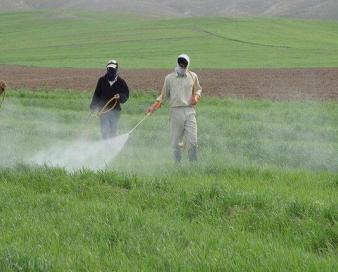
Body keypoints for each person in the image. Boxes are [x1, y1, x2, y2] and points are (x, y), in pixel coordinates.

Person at [147, 54, 202, 162]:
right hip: (175, 112)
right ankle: (177, 165)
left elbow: (198, 89)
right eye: (180, 64)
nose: (182, 67)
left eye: (184, 65)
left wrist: (196, 97)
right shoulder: (169, 78)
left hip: (190, 111)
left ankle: (194, 166)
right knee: (176, 143)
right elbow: (163, 96)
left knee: (193, 141)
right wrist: (154, 106)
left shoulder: (193, 76)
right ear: (177, 63)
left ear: (187, 65)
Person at [90, 59, 129, 139]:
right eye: (109, 69)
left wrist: (120, 96)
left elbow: (126, 95)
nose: (111, 71)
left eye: (113, 69)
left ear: (116, 69)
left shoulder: (121, 82)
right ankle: (105, 144)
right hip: (103, 109)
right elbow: (97, 94)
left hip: (115, 110)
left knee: (113, 130)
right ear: (107, 69)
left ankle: (112, 145)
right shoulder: (101, 80)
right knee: (104, 129)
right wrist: (93, 106)